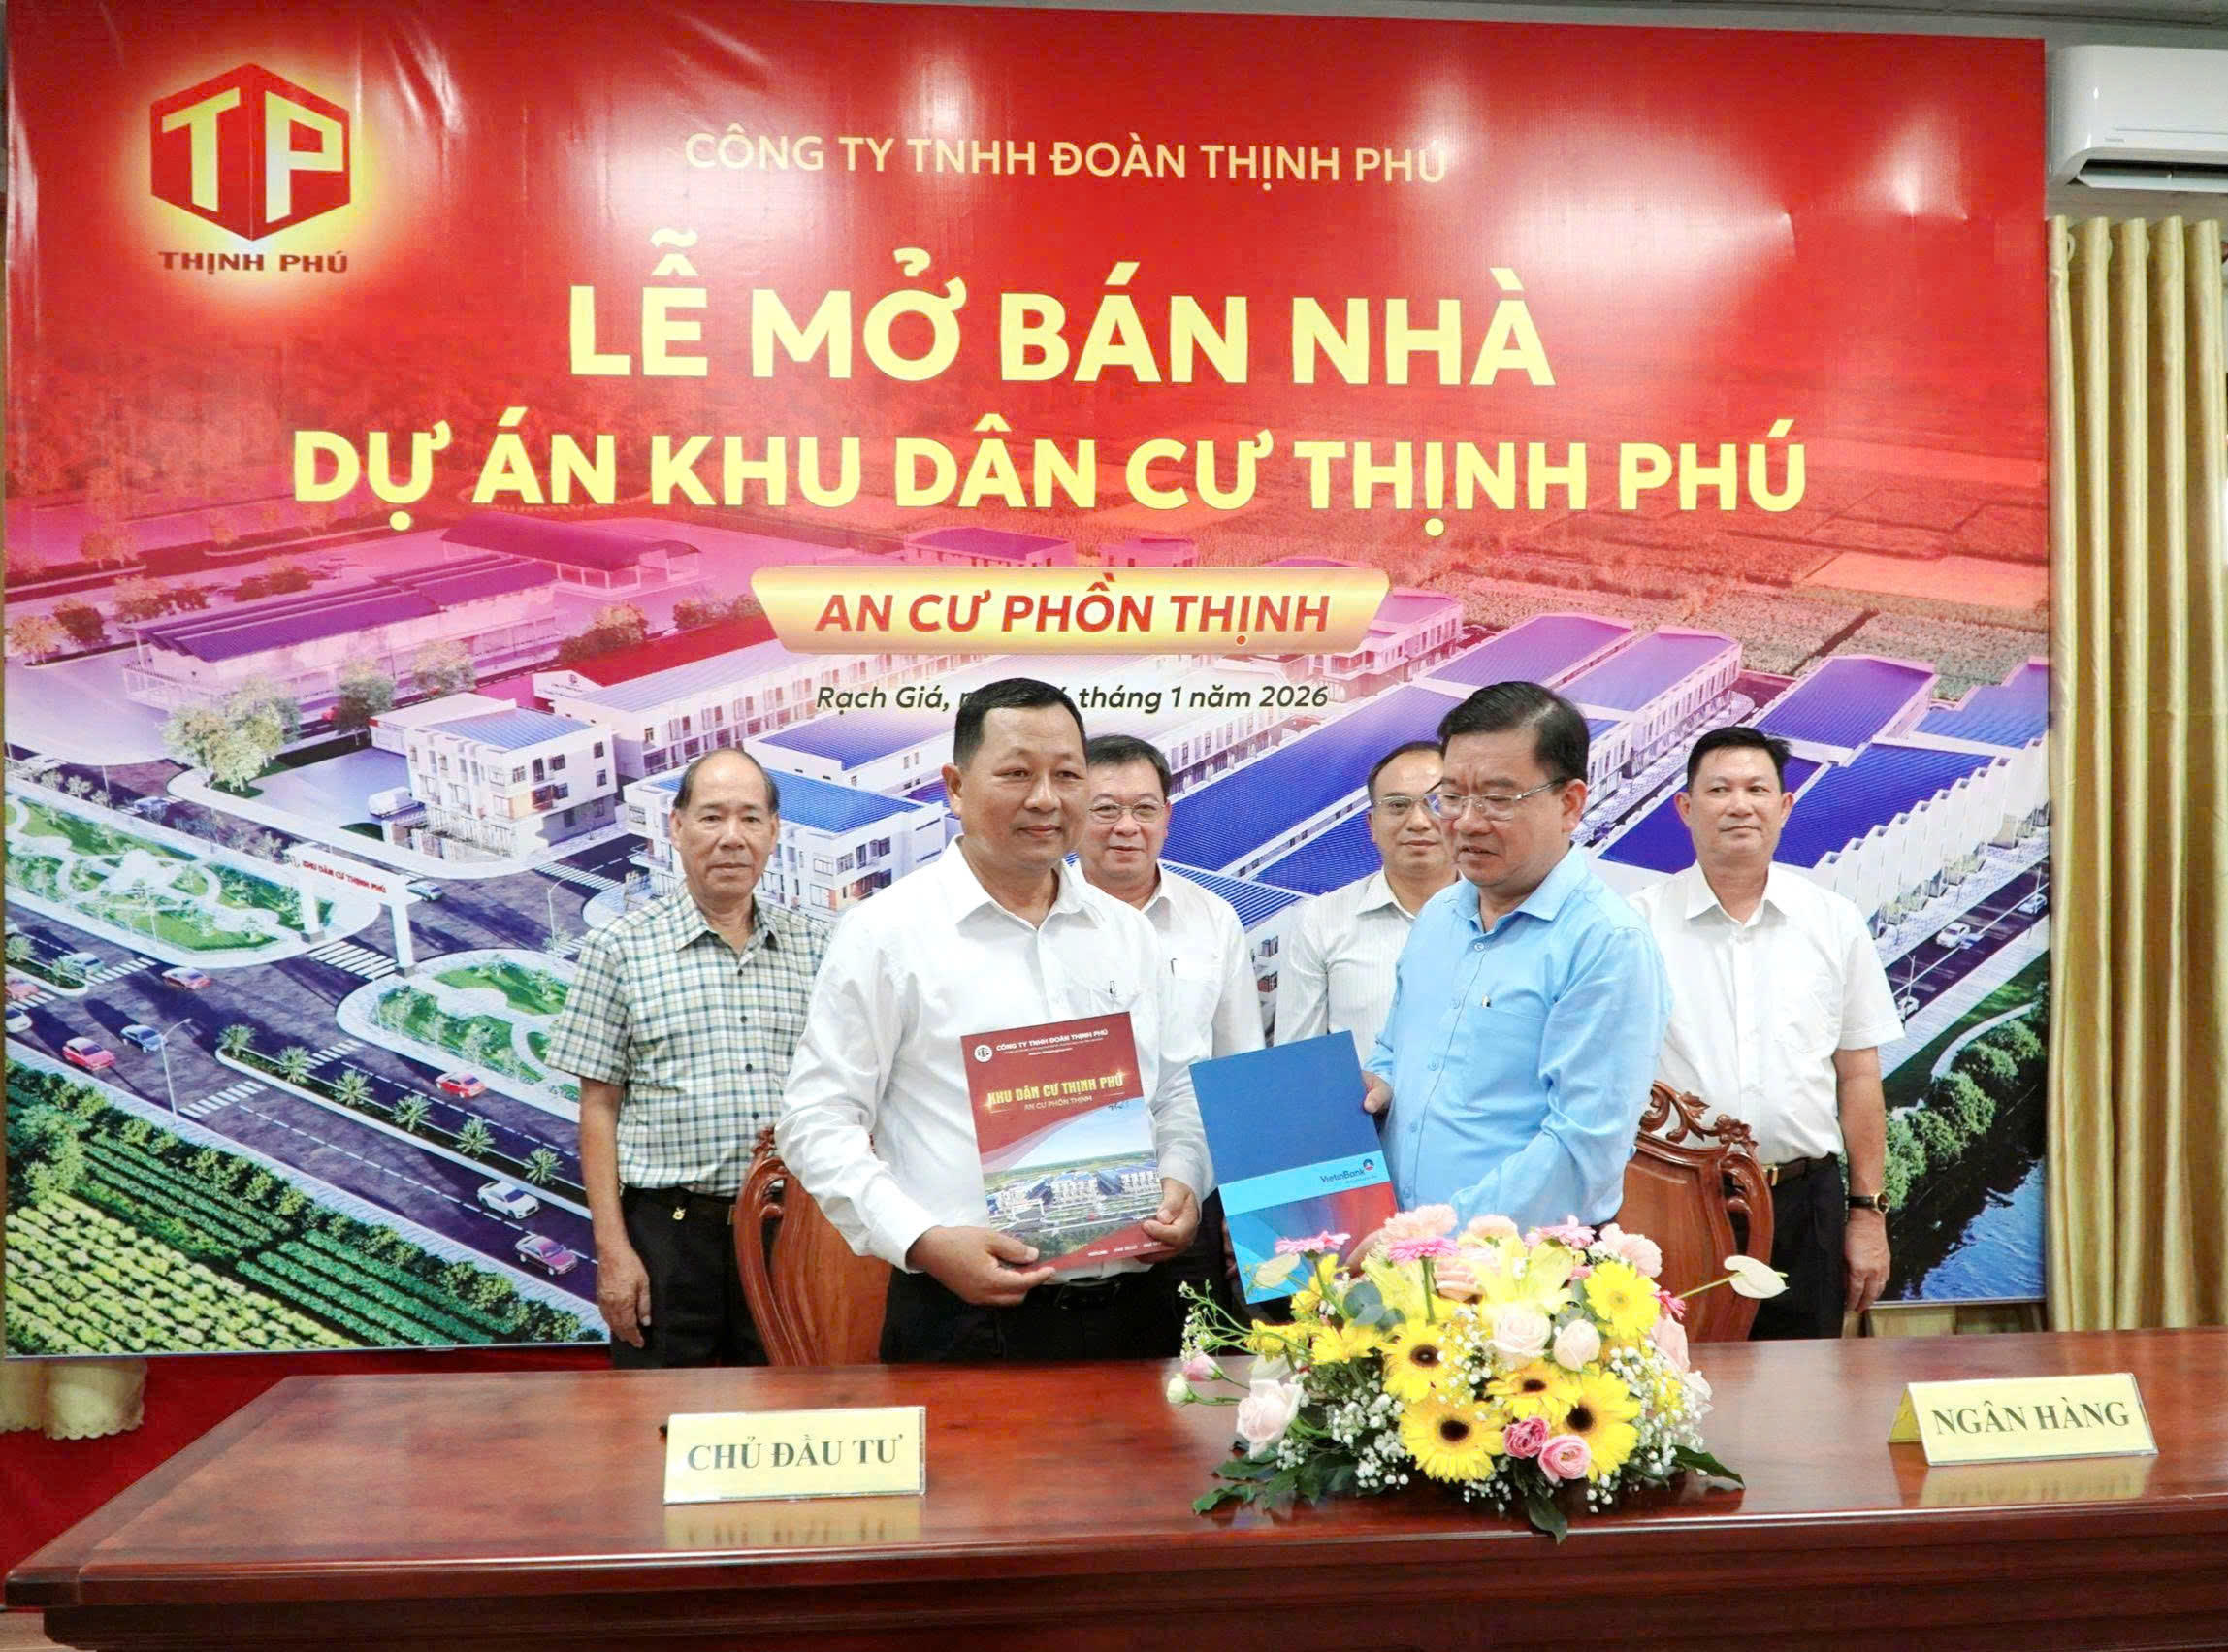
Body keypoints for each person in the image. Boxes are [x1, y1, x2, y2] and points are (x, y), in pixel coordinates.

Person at [777, 679, 1211, 1363]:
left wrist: (1183, 1178)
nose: (1045, 798)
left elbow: (1178, 1090)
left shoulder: (1126, 934)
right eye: (1016, 774)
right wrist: (921, 1239)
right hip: (966, 1322)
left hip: (1137, 1312)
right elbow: (817, 1119)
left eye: (1067, 775)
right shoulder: (887, 933)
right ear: (954, 786)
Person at [543, 747, 827, 1367]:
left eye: (750, 818)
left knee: (788, 1409)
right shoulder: (620, 949)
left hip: (789, 1235)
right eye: (711, 817)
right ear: (676, 826)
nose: (732, 838)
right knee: (663, 1415)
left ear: (774, 831)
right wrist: (613, 1251)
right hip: (668, 1242)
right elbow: (598, 1109)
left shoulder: (815, 947)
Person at [1629, 726, 1903, 1338]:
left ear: (1784, 807)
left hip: (1804, 1204)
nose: (1739, 804)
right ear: (1685, 808)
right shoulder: (1634, 927)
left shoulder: (1833, 922)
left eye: (1757, 789)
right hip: (1677, 1201)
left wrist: (1868, 1214)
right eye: (1719, 789)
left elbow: (1859, 1075)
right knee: (1676, 1378)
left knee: (1803, 1382)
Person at [1363, 682, 1667, 1230]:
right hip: (1399, 1249)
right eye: (1452, 796)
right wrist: (1380, 1084)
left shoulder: (1605, 943)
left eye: (1498, 799)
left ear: (1570, 804)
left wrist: (1439, 1234)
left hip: (1515, 1266)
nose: (1466, 821)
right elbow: (1394, 1049)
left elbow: (1582, 1150)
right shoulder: (1438, 918)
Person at [1076, 731, 1263, 1315]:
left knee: (1191, 1365)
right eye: (1105, 809)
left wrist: (1238, 1206)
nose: (1126, 827)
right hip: (1070, 1195)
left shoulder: (1212, 918)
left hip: (1187, 1197)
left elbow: (1238, 1068)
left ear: (1168, 816)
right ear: (1074, 814)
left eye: (1144, 809)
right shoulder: (1039, 918)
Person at [1275, 739, 1454, 1059]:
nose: (1418, 821)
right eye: (1397, 805)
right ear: (1372, 825)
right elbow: (1299, 1058)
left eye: (1437, 802)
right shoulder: (1319, 921)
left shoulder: (1510, 913)